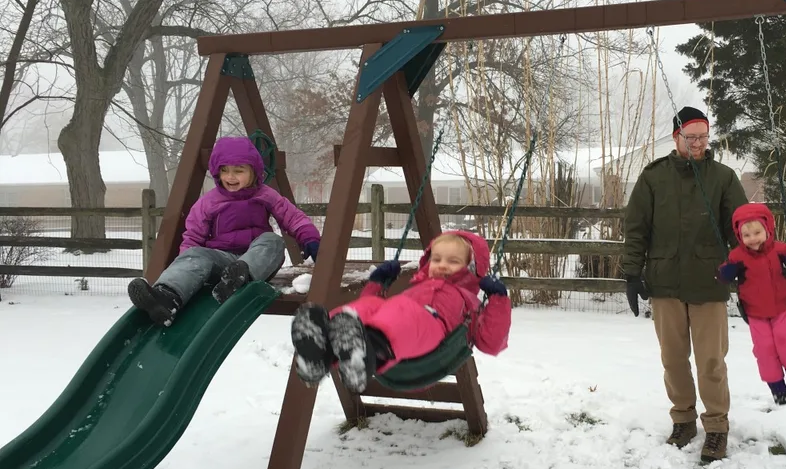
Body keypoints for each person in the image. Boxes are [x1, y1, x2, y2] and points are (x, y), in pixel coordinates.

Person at [622, 106, 748, 463]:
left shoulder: (723, 178)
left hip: (710, 282)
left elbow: (740, 227)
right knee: (673, 358)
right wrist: (632, 273)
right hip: (665, 283)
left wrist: (748, 272)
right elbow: (636, 229)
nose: (696, 143)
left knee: (711, 360)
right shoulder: (653, 178)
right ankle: (683, 420)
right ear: (676, 137)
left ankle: (717, 427)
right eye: (690, 137)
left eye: (702, 137)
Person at [128, 135, 321, 326]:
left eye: (239, 170)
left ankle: (241, 278)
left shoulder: (266, 195)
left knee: (273, 241)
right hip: (223, 262)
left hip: (257, 262)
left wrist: (309, 238)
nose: (230, 177)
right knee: (195, 253)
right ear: (217, 172)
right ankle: (167, 296)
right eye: (224, 170)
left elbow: (292, 216)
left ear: (254, 171)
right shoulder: (208, 202)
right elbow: (193, 237)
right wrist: (188, 273)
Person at [290, 230, 512, 393]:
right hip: (402, 329)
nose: (442, 265)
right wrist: (377, 284)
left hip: (435, 337)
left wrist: (498, 300)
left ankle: (370, 351)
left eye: (453, 261)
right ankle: (322, 351)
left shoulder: (470, 301)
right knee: (373, 306)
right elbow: (374, 315)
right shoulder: (418, 288)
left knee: (401, 308)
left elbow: (491, 343)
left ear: (471, 268)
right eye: (436, 259)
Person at [717, 202, 786, 405]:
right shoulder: (737, 257)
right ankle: (778, 390)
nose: (753, 239)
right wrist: (723, 274)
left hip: (782, 308)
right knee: (764, 349)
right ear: (740, 236)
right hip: (755, 312)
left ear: (768, 229)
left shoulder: (780, 250)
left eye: (757, 232)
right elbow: (725, 275)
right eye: (747, 235)